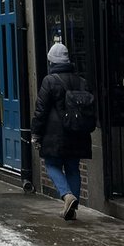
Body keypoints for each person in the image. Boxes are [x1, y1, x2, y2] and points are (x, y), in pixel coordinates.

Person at [31, 42, 94, 220]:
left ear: (52, 62)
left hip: (55, 135)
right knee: (73, 168)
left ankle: (67, 195)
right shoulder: (81, 81)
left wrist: (36, 134)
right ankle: (71, 209)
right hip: (78, 133)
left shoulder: (49, 81)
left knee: (51, 165)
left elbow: (40, 110)